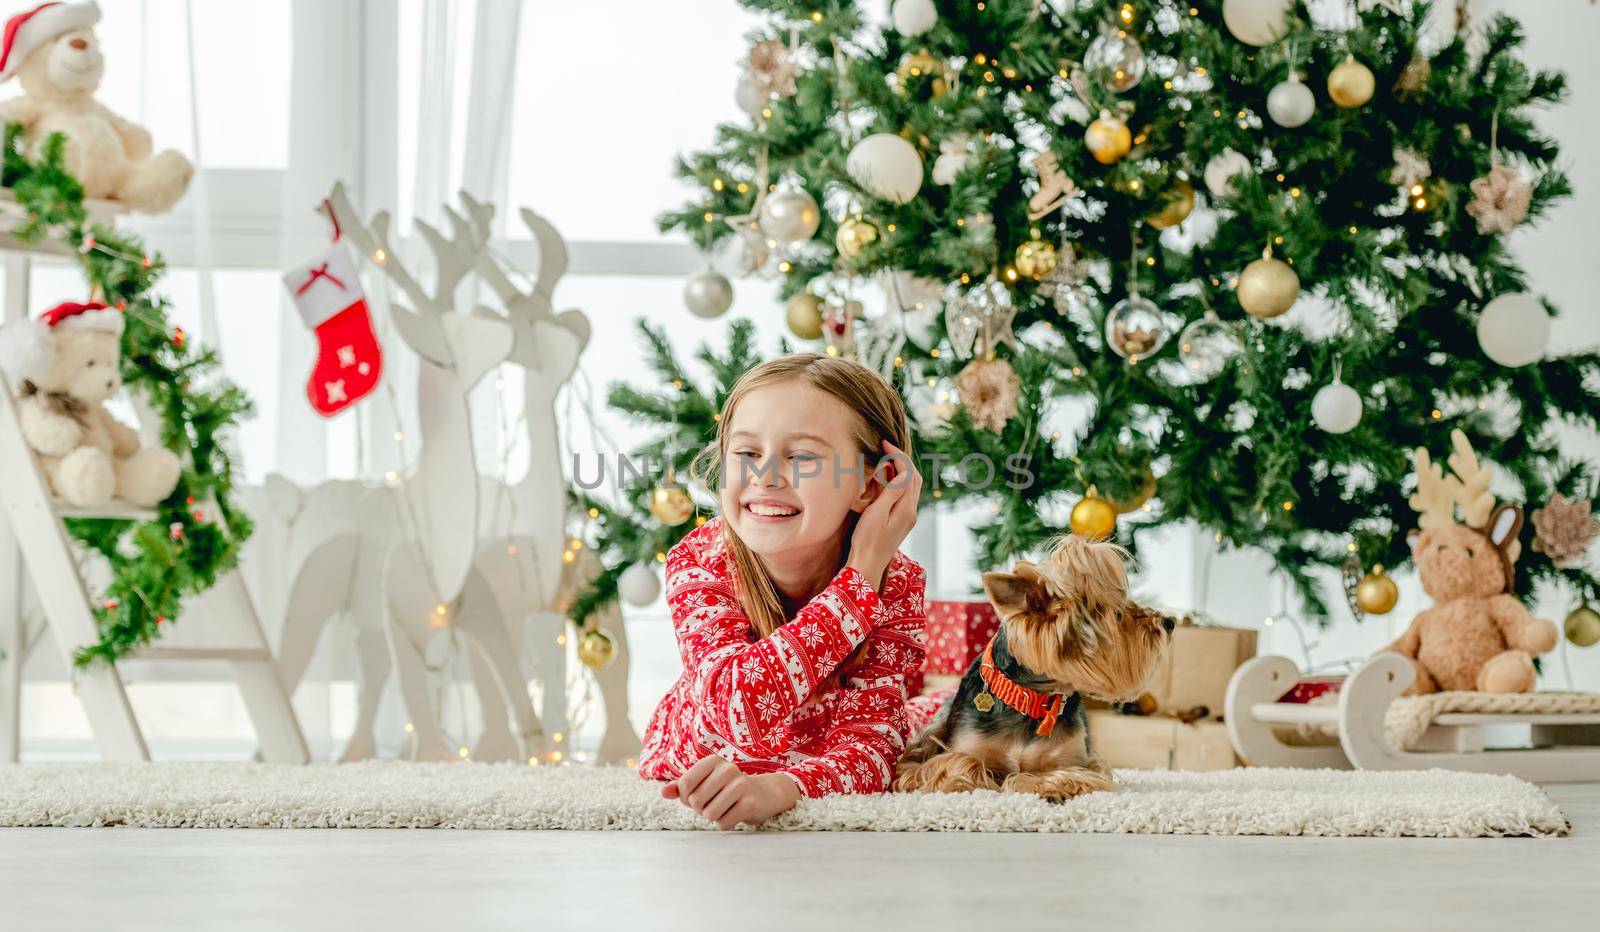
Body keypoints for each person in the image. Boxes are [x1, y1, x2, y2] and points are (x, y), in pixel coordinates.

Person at [637, 353, 943, 830]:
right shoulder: (700, 560)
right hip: (698, 750)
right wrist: (858, 581)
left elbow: (872, 749)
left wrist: (786, 788)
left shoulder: (897, 581)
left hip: (814, 745)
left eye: (801, 457)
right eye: (747, 454)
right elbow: (740, 708)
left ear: (871, 485)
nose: (766, 478)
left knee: (926, 722)